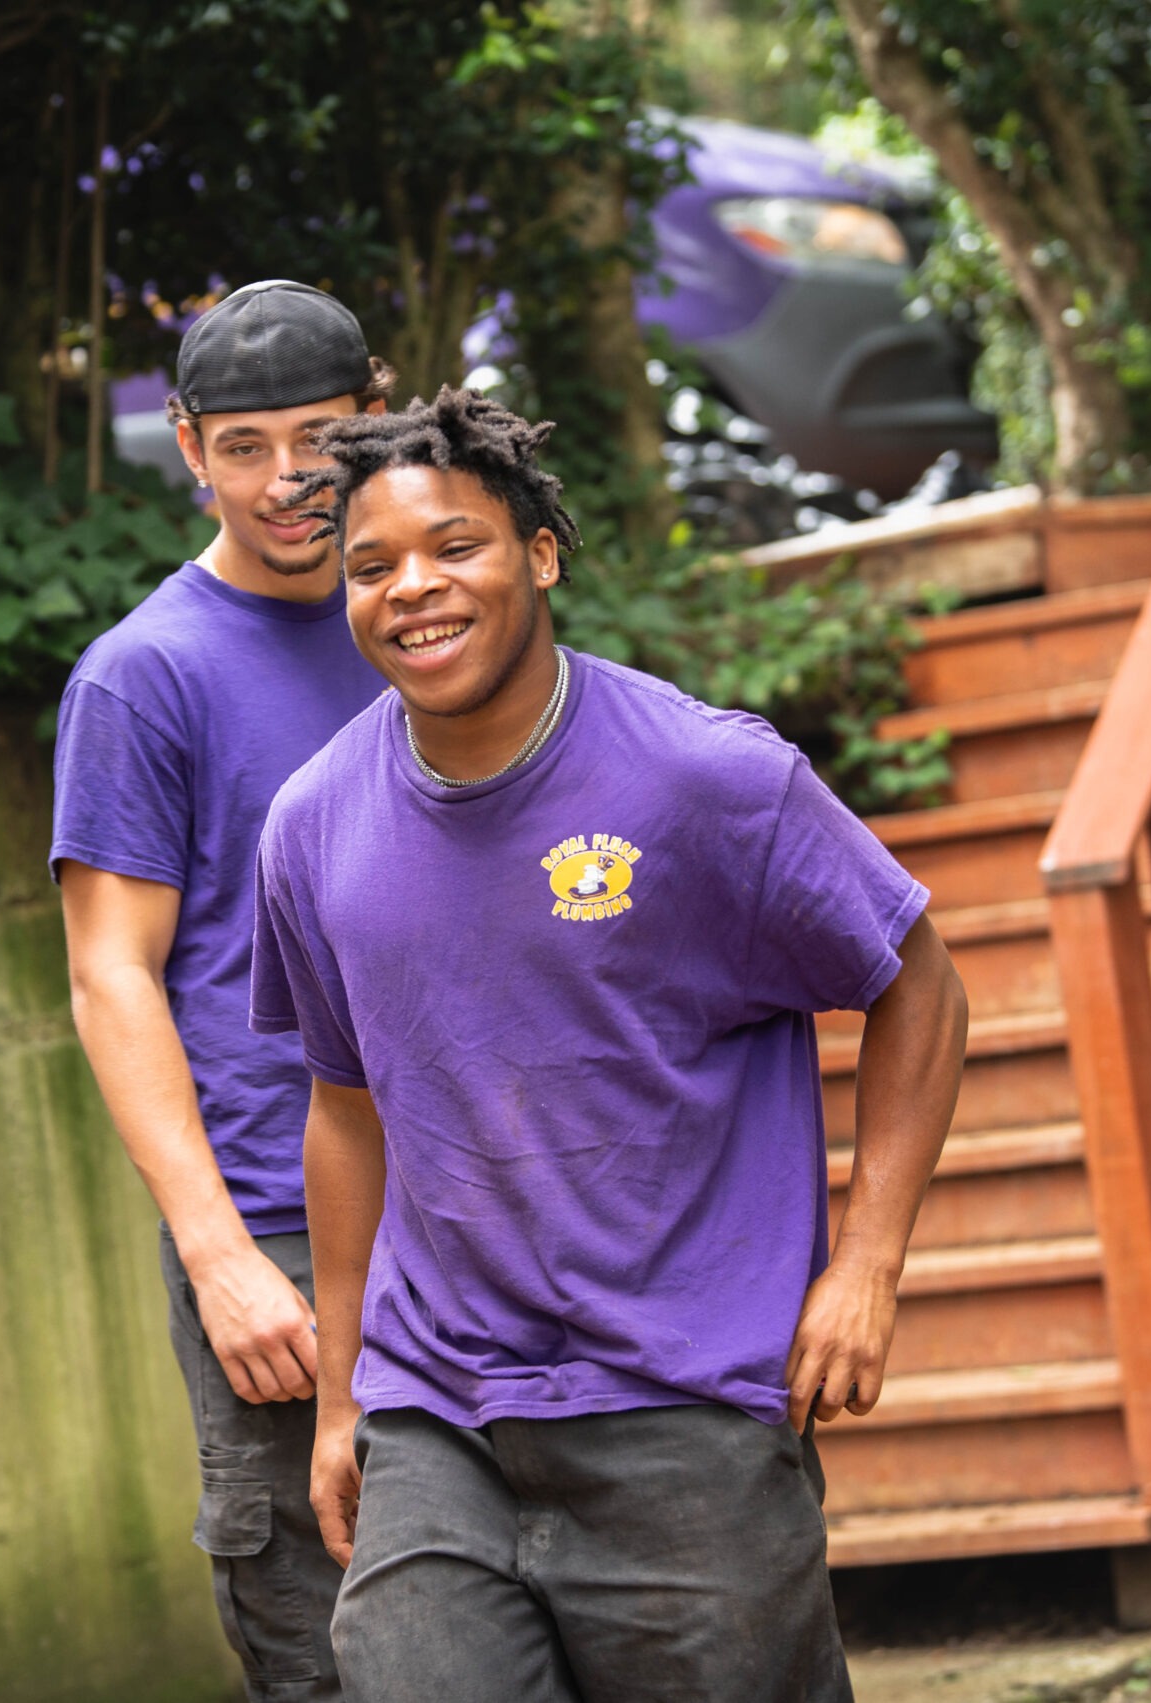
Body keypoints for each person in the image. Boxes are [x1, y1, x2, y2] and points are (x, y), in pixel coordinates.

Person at [250, 390, 970, 1703]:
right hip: (438, 1410)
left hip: (682, 1404)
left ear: (539, 554)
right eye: (371, 566)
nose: (413, 589)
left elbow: (918, 984)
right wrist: (345, 1398)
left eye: (455, 547)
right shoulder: (312, 826)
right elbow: (344, 1111)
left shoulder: (706, 779)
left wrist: (867, 1263)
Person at [52, 281, 392, 1702]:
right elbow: (111, 975)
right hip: (276, 1228)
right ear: (189, 449)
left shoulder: (430, 616)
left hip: (475, 1206)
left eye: (319, 438)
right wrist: (218, 1255)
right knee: (330, 1646)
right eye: (243, 446)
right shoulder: (144, 679)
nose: (286, 479)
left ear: (377, 414)